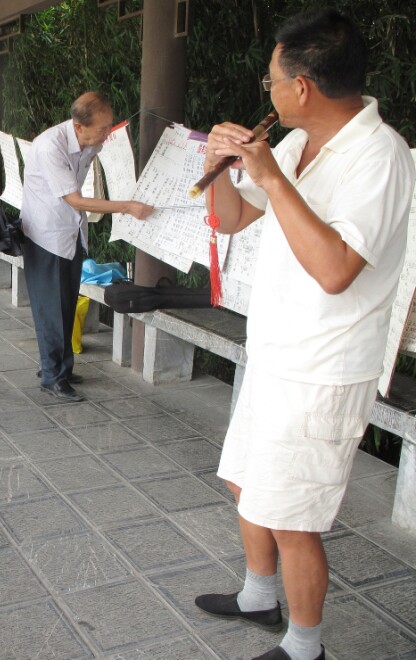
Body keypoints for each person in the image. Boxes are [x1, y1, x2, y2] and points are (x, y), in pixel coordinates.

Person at [192, 10, 414, 660]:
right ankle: (260, 596)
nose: (268, 93)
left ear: (303, 88)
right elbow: (232, 221)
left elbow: (336, 269)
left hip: (323, 370)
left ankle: (305, 647)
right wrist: (222, 168)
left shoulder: (382, 157)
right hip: (276, 353)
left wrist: (270, 177)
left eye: (271, 81)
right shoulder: (294, 144)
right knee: (246, 481)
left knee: (293, 514)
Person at [21, 91, 153, 402]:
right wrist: (126, 206)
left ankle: (60, 368)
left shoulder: (88, 143)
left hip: (70, 233)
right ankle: (52, 376)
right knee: (51, 309)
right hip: (45, 236)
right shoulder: (49, 146)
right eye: (103, 129)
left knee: (66, 306)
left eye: (109, 127)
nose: (107, 134)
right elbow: (75, 199)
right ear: (79, 126)